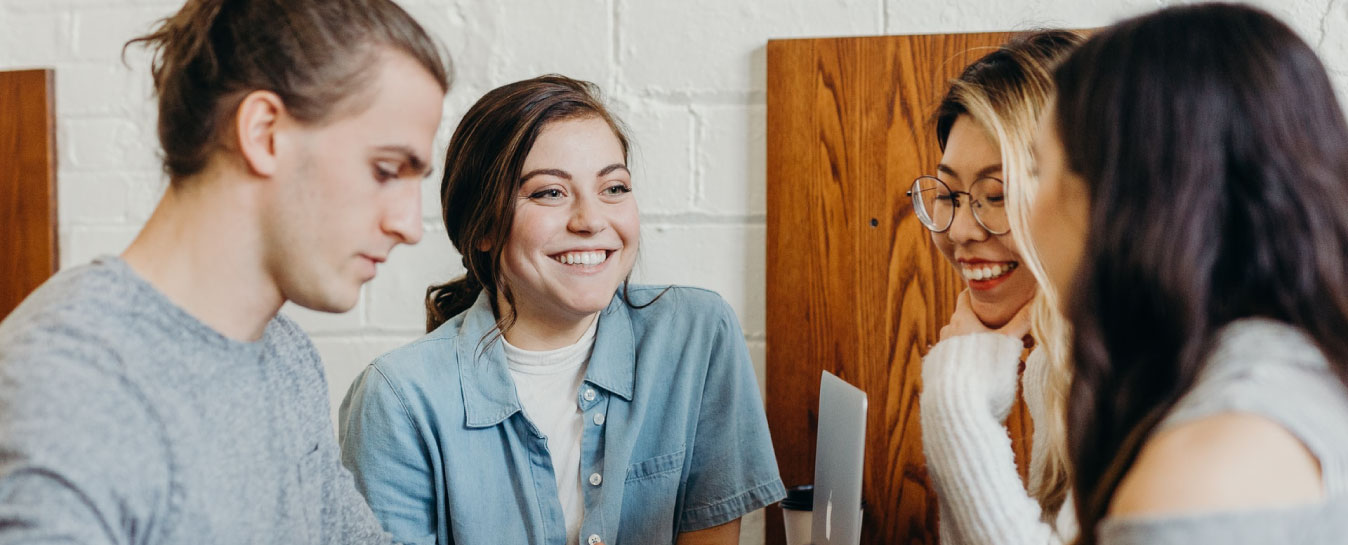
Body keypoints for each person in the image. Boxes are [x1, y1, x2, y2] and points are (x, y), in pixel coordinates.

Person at [0, 0, 450, 542]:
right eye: (385, 170)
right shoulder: (68, 389)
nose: (409, 225)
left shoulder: (287, 355)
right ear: (264, 133)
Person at [338, 75, 785, 545]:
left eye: (613, 188)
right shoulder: (397, 399)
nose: (591, 221)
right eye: (550, 192)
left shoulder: (696, 335)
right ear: (484, 229)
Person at [1030, 4, 1348, 544]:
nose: (1025, 211)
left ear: (1121, 199)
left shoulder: (1209, 463)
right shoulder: (1299, 373)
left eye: (1039, 170)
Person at [913, 30, 1083, 544]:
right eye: (949, 194)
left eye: (998, 193)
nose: (962, 230)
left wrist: (955, 403)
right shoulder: (1056, 365)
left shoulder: (1149, 369)